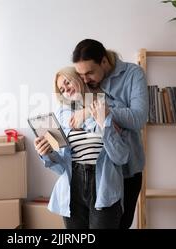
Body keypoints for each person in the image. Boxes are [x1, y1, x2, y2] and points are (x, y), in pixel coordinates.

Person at [33, 67, 130, 229]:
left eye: (67, 82)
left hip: (103, 186)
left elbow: (121, 157)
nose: (66, 90)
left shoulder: (108, 105)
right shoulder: (63, 116)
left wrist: (94, 118)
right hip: (73, 188)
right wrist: (47, 153)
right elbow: (61, 167)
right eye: (61, 89)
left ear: (78, 77)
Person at [71, 39, 149, 229]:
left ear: (104, 62)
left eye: (89, 72)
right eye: (80, 74)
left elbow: (139, 118)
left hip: (127, 171)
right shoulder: (84, 80)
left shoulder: (133, 74)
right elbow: (73, 115)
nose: (85, 79)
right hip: (92, 172)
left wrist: (94, 110)